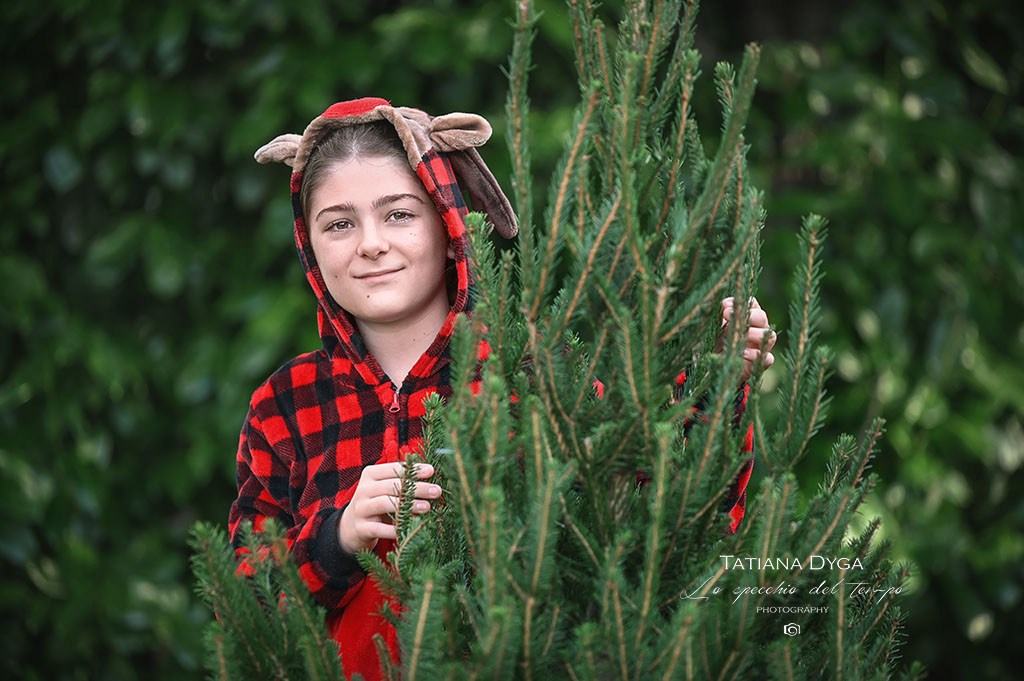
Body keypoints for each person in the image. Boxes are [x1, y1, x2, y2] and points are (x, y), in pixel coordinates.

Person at [228, 97, 776, 681]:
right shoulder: (285, 404)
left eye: (399, 215)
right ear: (309, 245)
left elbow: (660, 522)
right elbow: (241, 603)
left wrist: (718, 385)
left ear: (447, 221)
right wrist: (338, 537)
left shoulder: (533, 370)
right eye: (338, 223)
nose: (369, 244)